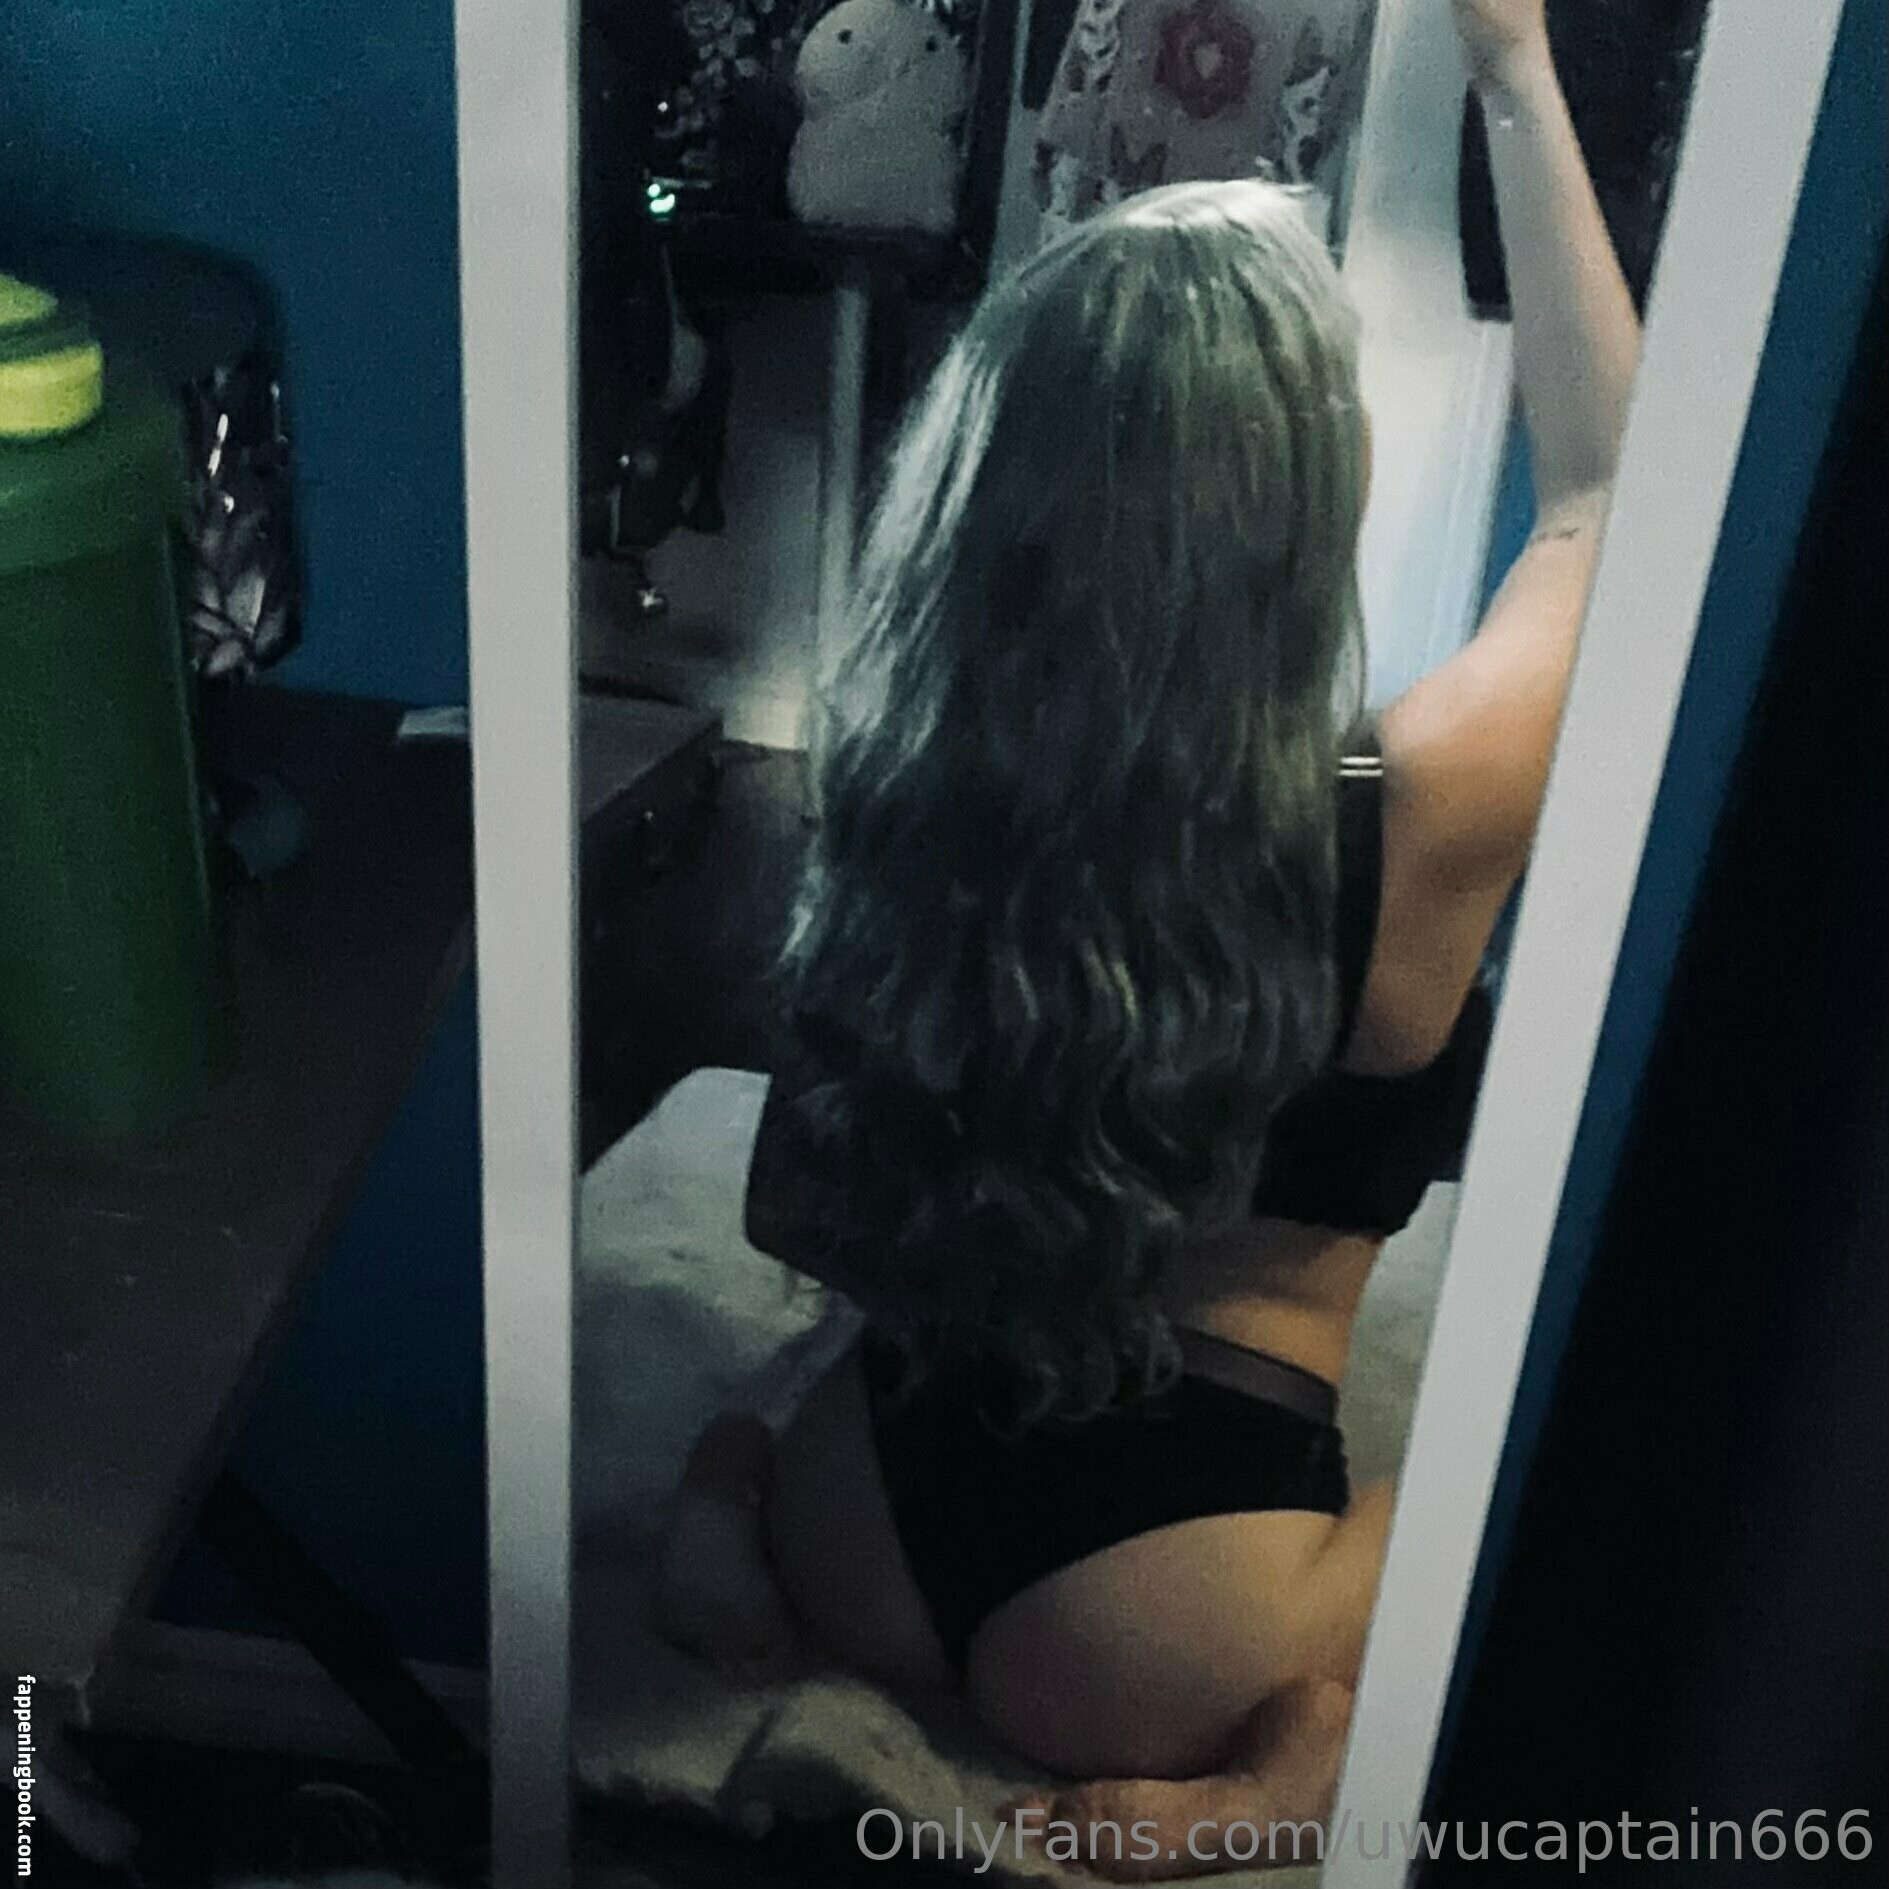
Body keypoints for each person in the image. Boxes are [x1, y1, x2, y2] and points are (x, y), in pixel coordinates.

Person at [654, 0, 1641, 1871]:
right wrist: (1512, 68)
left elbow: (795, 1209)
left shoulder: (908, 778)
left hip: (861, 1515)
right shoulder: (1416, 806)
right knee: (1491, 1465)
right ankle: (1274, 1769)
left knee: (801, 1371)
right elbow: (1610, 500)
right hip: (1162, 1608)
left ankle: (728, 1489)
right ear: (1294, 499)